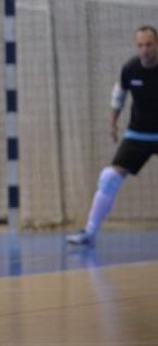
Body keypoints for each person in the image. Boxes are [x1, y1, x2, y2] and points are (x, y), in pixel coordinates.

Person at [67, 25, 158, 246]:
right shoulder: (130, 68)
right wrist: (113, 123)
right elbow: (120, 94)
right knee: (109, 178)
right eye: (140, 45)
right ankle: (89, 233)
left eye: (149, 45)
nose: (144, 50)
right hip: (138, 134)